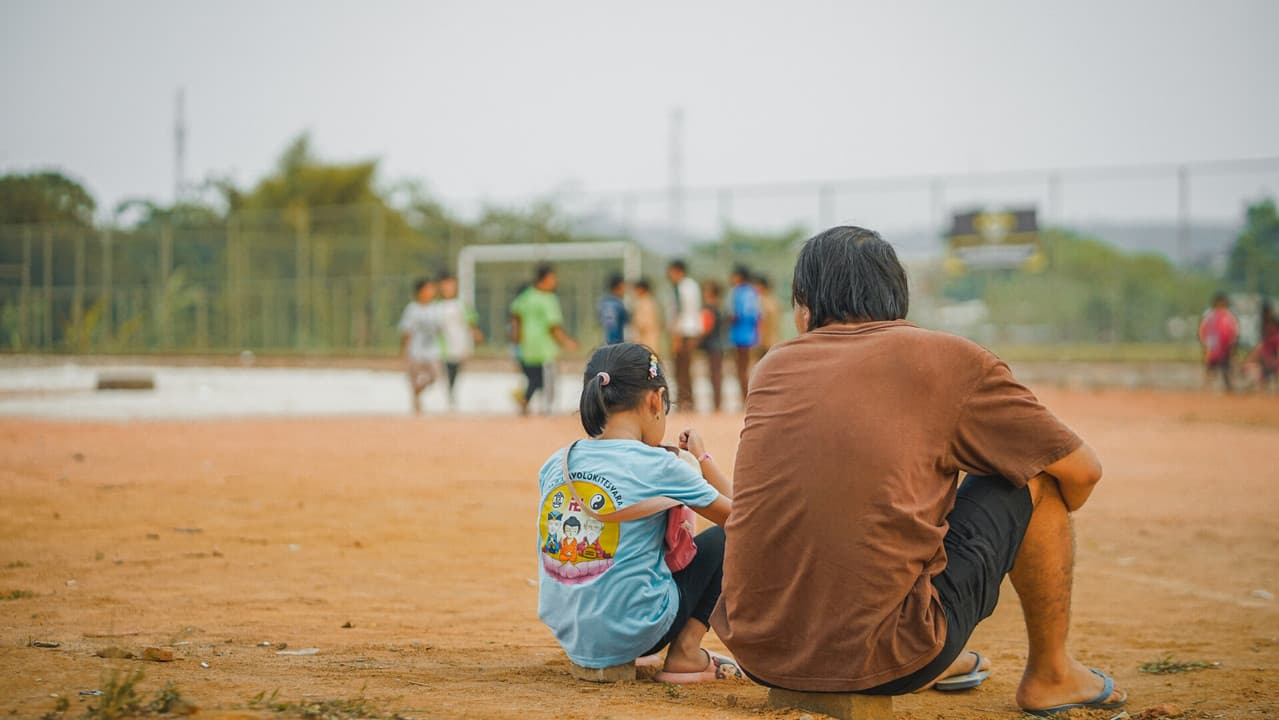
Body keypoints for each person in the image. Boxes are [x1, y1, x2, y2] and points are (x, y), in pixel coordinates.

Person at [711, 226, 1126, 717]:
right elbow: (1083, 471)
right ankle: (1051, 674)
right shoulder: (950, 359)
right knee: (1035, 472)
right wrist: (1029, 523)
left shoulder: (772, 366)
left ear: (805, 308)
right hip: (886, 654)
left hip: (758, 650)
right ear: (896, 297)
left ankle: (927, 649)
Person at [536, 343, 740, 683]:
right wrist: (703, 460)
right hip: (637, 629)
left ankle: (612, 641)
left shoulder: (557, 462)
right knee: (725, 538)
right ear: (655, 400)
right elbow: (743, 520)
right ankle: (686, 651)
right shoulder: (659, 464)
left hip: (571, 633)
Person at [510, 264, 578, 415]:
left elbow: (515, 318)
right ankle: (547, 412)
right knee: (548, 382)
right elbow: (553, 327)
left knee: (534, 380)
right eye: (553, 278)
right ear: (546, 278)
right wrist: (567, 342)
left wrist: (516, 340)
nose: (555, 282)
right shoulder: (549, 299)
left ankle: (525, 401)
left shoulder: (525, 296)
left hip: (527, 348)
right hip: (544, 349)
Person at [435, 271, 484, 409]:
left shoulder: (461, 305)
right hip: (442, 344)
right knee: (446, 367)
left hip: (459, 342)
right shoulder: (437, 306)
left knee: (455, 368)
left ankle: (452, 394)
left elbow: (471, 322)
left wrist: (476, 334)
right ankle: (448, 394)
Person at [397, 277, 443, 415]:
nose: (431, 292)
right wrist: (404, 350)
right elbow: (407, 331)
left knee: (434, 376)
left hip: (432, 350)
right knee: (414, 377)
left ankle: (419, 390)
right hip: (415, 350)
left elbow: (440, 328)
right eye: (427, 289)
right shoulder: (412, 309)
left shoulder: (436, 308)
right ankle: (416, 403)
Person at [667, 260, 702, 412]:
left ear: (678, 271)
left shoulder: (681, 287)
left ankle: (685, 400)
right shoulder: (691, 286)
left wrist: (676, 335)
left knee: (682, 369)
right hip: (689, 330)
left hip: (684, 332)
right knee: (684, 369)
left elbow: (679, 312)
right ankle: (686, 400)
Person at [727, 265, 761, 400]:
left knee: (741, 368)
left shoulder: (737, 292)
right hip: (752, 335)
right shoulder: (753, 292)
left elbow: (735, 314)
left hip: (740, 335)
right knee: (749, 367)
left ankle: (745, 397)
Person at [1198, 292, 1239, 392]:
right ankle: (1205, 389)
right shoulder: (1209, 316)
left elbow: (1234, 331)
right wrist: (1205, 344)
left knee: (1227, 369)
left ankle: (1229, 387)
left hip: (1226, 348)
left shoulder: (1229, 316)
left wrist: (1232, 345)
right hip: (1213, 348)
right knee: (1210, 369)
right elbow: (1203, 330)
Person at [699, 280, 725, 412]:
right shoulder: (719, 307)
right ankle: (717, 402)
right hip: (719, 344)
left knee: (714, 375)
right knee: (717, 374)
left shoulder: (708, 308)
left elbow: (706, 327)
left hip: (712, 345)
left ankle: (717, 404)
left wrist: (698, 341)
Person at [1245, 300, 1278, 391]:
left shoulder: (1275, 333)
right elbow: (1262, 345)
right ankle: (1260, 386)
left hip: (1271, 356)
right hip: (1266, 355)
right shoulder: (1263, 324)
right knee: (1257, 369)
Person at [632, 278, 664, 354]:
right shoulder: (641, 301)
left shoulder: (648, 302)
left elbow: (645, 322)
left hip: (649, 337)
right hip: (644, 336)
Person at [597, 273, 630, 346]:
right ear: (618, 287)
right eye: (624, 287)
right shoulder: (616, 304)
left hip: (605, 343)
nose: (625, 290)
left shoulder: (603, 302)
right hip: (614, 344)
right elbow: (612, 328)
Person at [753, 274, 780, 356]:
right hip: (772, 340)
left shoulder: (761, 301)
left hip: (765, 341)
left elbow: (762, 322)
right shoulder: (774, 301)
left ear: (761, 286)